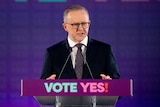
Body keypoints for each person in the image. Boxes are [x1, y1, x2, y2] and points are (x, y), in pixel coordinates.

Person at [40, 4, 120, 80]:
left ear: (89, 24)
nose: (81, 28)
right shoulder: (53, 53)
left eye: (84, 23)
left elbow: (118, 87)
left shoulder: (104, 50)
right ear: (65, 27)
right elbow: (41, 89)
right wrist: (47, 86)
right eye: (75, 24)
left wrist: (110, 85)